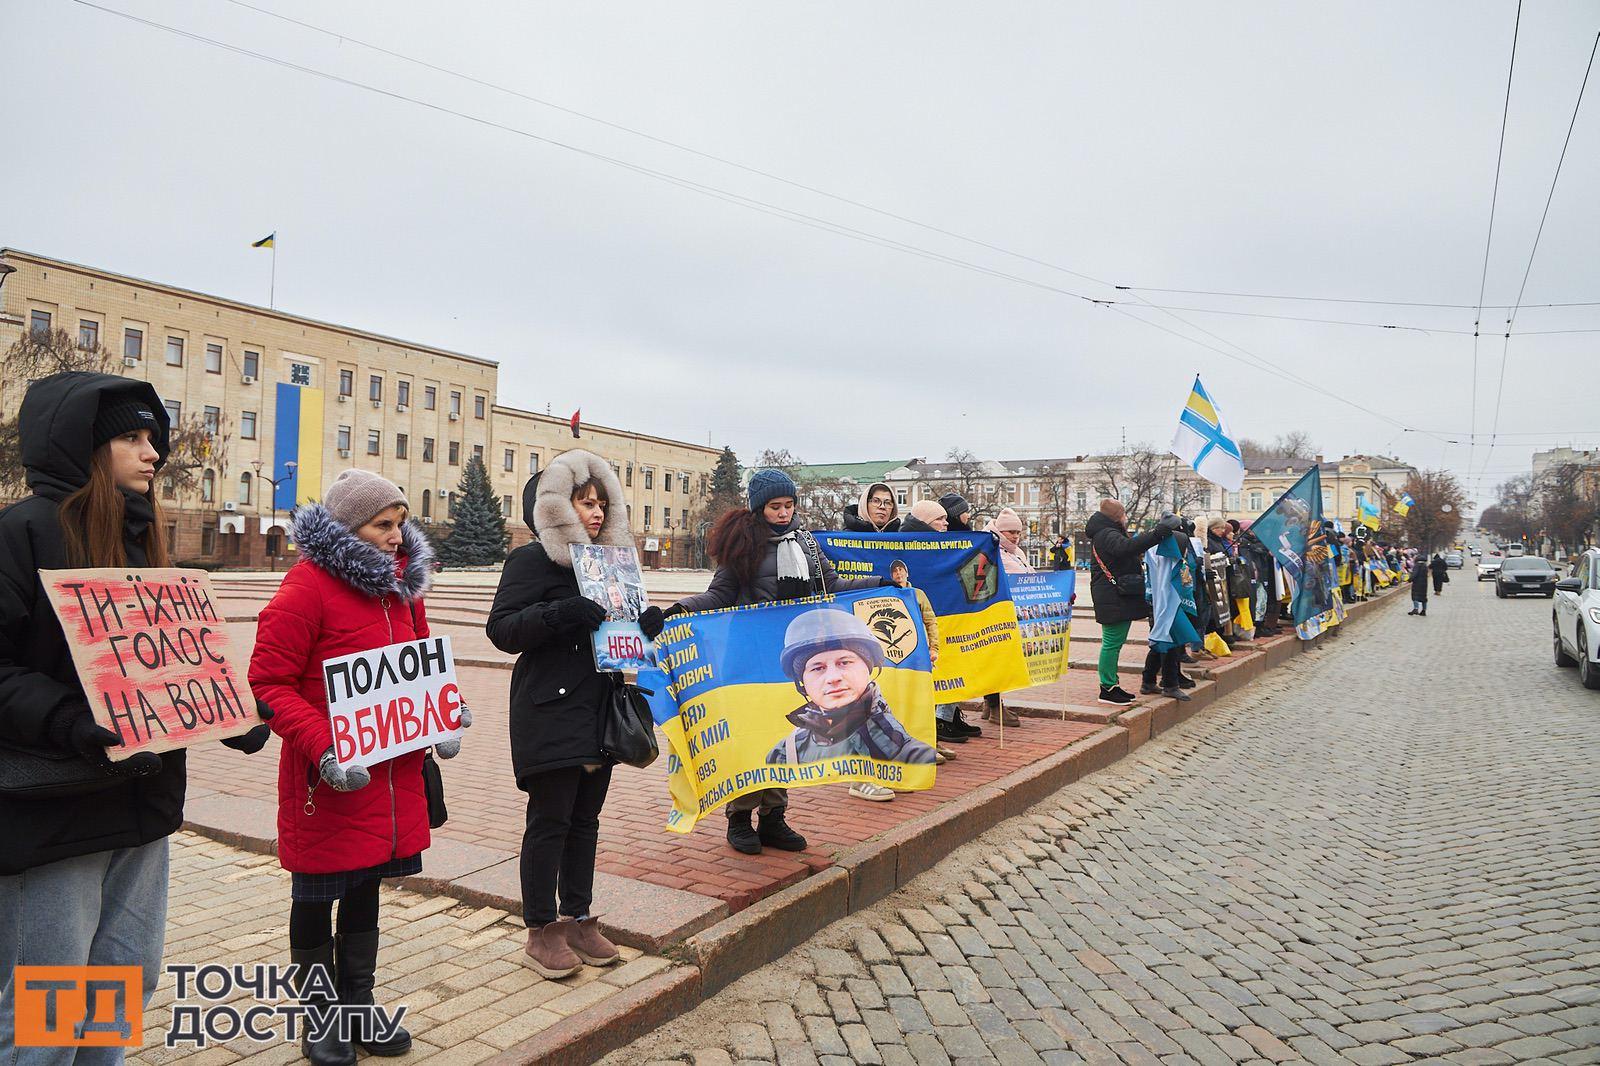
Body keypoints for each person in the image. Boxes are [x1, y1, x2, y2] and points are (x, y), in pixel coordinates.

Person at [0, 373, 273, 1065]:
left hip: (140, 807)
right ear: (84, 448)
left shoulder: (139, 535)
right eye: (131, 437)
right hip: (54, 811)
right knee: (48, 1016)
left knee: (122, 991)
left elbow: (162, 664)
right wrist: (67, 719)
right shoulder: (24, 531)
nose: (153, 453)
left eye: (154, 438)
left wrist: (228, 708)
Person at [251, 469, 466, 1064]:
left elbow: (417, 667)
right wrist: (324, 746)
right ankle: (320, 1018)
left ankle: (358, 1007)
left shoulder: (400, 589)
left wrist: (445, 711)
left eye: (400, 525)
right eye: (383, 525)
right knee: (317, 894)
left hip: (390, 777)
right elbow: (270, 683)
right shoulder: (305, 589)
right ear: (349, 528)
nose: (397, 537)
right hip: (328, 777)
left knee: (367, 886)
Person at [486, 451, 662, 978]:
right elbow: (503, 630)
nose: (595, 514)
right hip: (551, 707)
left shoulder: (612, 565)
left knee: (585, 821)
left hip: (600, 707)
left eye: (602, 505)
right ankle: (541, 930)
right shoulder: (531, 561)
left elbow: (619, 640)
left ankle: (579, 916)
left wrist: (646, 628)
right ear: (555, 506)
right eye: (585, 503)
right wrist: (559, 613)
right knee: (550, 820)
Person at [670, 469, 879, 850]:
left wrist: (879, 584)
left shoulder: (806, 543)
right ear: (758, 508)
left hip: (793, 655)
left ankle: (774, 817)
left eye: (789, 505)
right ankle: (740, 818)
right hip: (750, 655)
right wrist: (679, 608)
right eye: (775, 507)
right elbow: (718, 596)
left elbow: (831, 586)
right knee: (753, 736)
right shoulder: (744, 544)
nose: (784, 513)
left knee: (782, 735)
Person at [766, 608, 937, 767]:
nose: (833, 678)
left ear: (869, 668)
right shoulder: (784, 753)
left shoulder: (913, 755)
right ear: (802, 682)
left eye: (845, 662)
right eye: (817, 668)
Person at [1085, 500, 1183, 705]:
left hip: (1113, 595)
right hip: (1112, 596)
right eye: (1124, 514)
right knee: (1112, 643)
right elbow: (1126, 548)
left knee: (1114, 642)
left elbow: (1125, 550)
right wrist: (1158, 533)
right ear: (1118, 515)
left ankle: (1112, 685)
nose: (1126, 517)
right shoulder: (1107, 534)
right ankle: (1108, 688)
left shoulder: (1105, 532)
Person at [901, 501, 980, 744]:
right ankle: (928, 731)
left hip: (942, 614)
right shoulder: (906, 544)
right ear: (926, 522)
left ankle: (936, 729)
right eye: (940, 520)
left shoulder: (941, 543)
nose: (946, 524)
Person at [888, 560, 952, 764]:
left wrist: (934, 648)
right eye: (894, 571)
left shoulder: (918, 594)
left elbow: (930, 621)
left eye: (901, 570)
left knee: (927, 697)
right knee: (904, 698)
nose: (898, 574)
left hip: (920, 653)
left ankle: (931, 740)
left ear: (907, 572)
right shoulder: (888, 593)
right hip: (899, 655)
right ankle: (913, 743)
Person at [983, 508, 1032, 726]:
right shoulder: (992, 550)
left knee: (1000, 660)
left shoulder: (1016, 552)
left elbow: (1029, 575)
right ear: (1000, 531)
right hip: (995, 612)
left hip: (1012, 611)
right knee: (997, 660)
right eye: (1010, 531)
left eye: (1018, 532)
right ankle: (994, 707)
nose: (1014, 536)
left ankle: (990, 704)